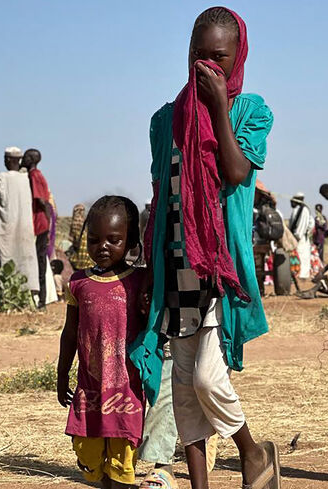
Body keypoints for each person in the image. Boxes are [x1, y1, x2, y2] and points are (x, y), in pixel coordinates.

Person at [129, 7, 280, 489]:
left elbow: (236, 173)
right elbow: (160, 195)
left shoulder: (250, 110)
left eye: (219, 58)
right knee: (182, 390)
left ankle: (254, 453)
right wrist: (148, 266)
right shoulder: (164, 119)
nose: (207, 67)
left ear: (237, 59)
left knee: (208, 381)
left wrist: (217, 107)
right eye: (199, 56)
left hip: (218, 267)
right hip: (173, 264)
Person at [56, 196, 146, 489]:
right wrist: (61, 374)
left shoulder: (140, 282)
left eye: (113, 240)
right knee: (90, 456)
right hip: (90, 388)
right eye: (94, 240)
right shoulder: (78, 283)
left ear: (130, 241)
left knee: (122, 462)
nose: (102, 247)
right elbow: (70, 333)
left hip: (127, 389)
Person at [0, 147, 39, 293]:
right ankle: (28, 290)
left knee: (2, 256)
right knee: (24, 257)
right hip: (25, 226)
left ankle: (1, 289)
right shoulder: (27, 178)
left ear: (9, 160)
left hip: (5, 227)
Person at [23, 148, 52, 309]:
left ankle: (41, 300)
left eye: (27, 157)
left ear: (32, 159)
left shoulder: (34, 175)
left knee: (39, 261)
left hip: (40, 224)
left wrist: (47, 222)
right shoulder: (36, 174)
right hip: (41, 224)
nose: (23, 159)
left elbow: (41, 200)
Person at [289, 192, 314, 279]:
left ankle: (302, 275)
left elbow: (302, 226)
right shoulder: (300, 209)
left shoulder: (303, 210)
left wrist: (296, 237)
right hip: (299, 237)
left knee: (302, 256)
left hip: (300, 238)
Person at [68, 203, 96, 271]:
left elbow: (72, 238)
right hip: (87, 255)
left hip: (79, 256)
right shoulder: (86, 221)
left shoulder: (74, 222)